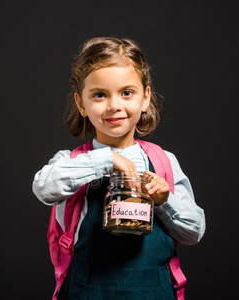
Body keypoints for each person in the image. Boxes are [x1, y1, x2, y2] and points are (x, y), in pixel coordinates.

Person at [32, 37, 205, 300]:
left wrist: (164, 201)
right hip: (87, 289)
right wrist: (107, 160)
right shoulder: (72, 161)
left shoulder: (163, 161)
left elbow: (193, 233)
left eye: (127, 92)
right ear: (81, 104)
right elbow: (44, 188)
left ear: (145, 98)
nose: (114, 105)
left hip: (152, 291)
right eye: (99, 94)